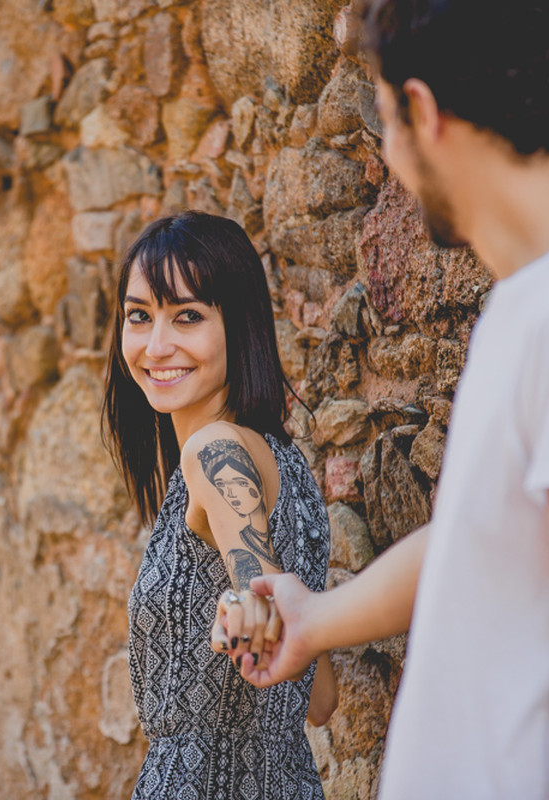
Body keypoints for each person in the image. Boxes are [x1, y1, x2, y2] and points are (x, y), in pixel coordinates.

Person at [240, 2, 549, 799]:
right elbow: (492, 540)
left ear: (425, 113)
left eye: (387, 119)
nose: (389, 154)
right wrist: (315, 620)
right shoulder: (545, 304)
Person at [103, 210, 338, 799]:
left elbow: (257, 588)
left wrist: (249, 606)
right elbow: (322, 700)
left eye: (187, 316)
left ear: (240, 324)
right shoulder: (285, 464)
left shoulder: (216, 451)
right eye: (139, 317)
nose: (157, 346)